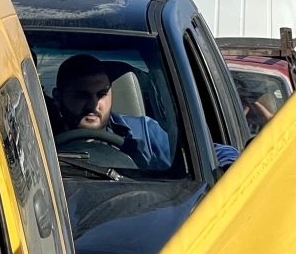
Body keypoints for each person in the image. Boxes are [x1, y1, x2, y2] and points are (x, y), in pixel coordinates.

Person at [53, 53, 240, 170]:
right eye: (82, 95)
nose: (94, 105)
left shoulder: (145, 131)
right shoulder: (37, 136)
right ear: (58, 98)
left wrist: (230, 168)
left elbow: (211, 153)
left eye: (101, 94)